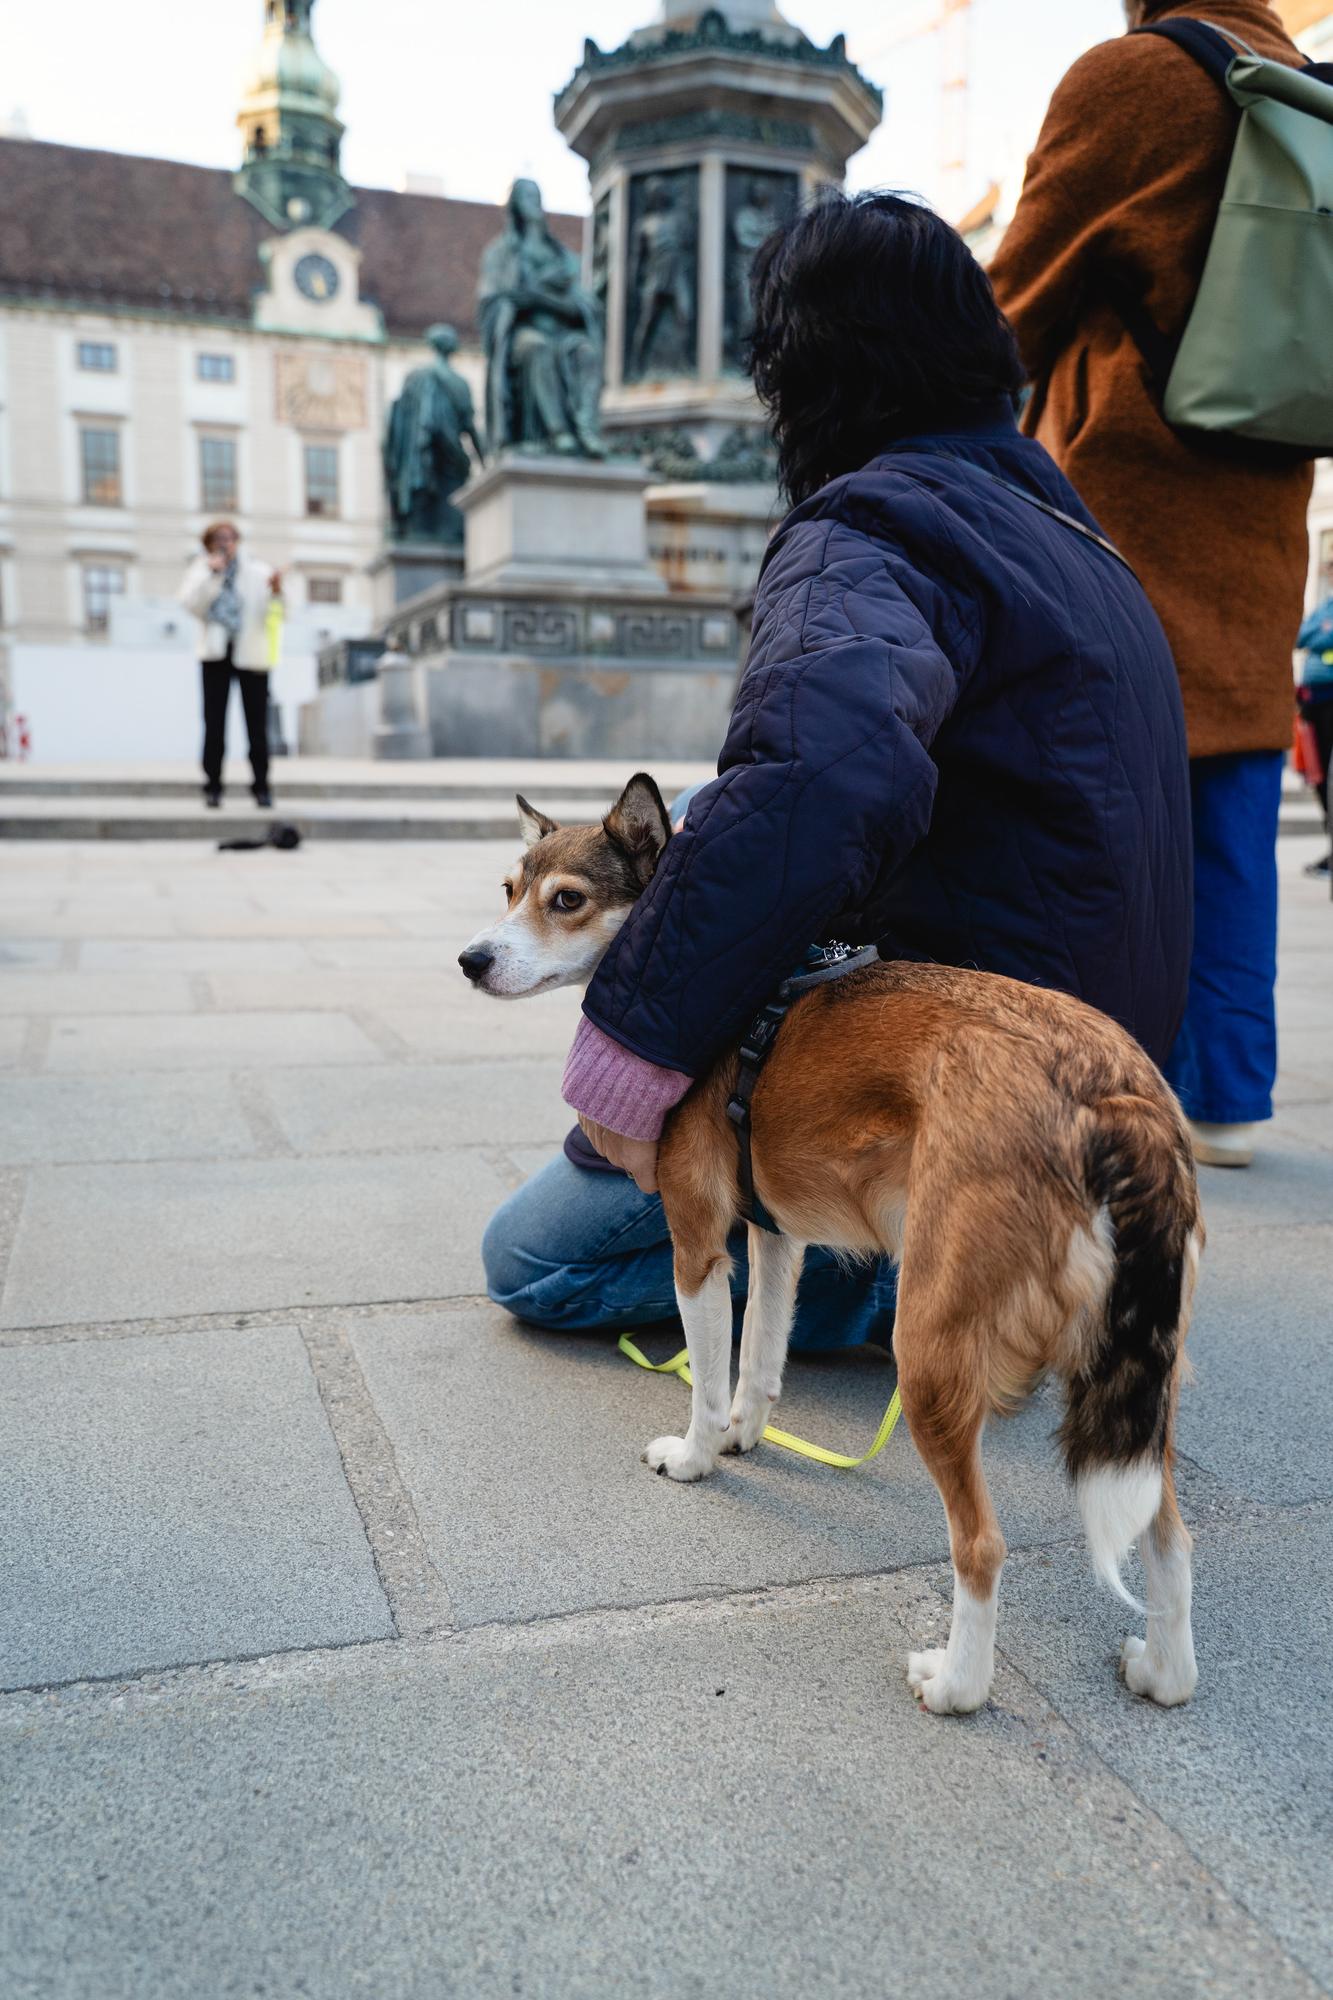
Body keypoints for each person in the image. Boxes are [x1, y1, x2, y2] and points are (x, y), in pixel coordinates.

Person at [482, 191, 1192, 1353]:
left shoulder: (867, 527)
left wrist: (633, 1049)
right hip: (1104, 1067)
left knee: (534, 1257)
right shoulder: (1077, 542)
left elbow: (816, 781)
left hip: (979, 1087)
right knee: (708, 809)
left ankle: (971, 1274)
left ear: (800, 371)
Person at [986, 0, 1314, 1167]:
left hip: (1125, 504)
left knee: (1099, 799)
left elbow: (1006, 308)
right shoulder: (1298, 83)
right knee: (1232, 791)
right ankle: (1224, 1089)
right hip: (1264, 504)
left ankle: (1102, 1079)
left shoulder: (1134, 79)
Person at [477, 179, 604, 458]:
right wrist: (530, 296)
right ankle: (557, 431)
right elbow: (492, 301)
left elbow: (583, 304)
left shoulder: (562, 256)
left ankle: (587, 428)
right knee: (536, 347)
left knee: (587, 352)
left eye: (537, 197)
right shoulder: (501, 253)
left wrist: (540, 296)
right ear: (515, 206)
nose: (534, 203)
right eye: (527, 197)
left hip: (563, 333)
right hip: (523, 333)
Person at [178, 521, 281, 808]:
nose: (225, 543)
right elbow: (191, 606)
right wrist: (213, 575)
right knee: (214, 724)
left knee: (257, 726)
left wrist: (277, 592)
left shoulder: (258, 572)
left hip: (251, 654)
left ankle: (261, 786)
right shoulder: (200, 572)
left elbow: (278, 613)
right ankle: (213, 786)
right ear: (208, 544)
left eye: (230, 538)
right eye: (218, 538)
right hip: (215, 654)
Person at [1295, 587, 1333, 878]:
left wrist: (1320, 635)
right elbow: (1301, 636)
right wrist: (1322, 632)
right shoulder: (1326, 605)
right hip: (1313, 699)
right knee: (1318, 777)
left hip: (1330, 697)